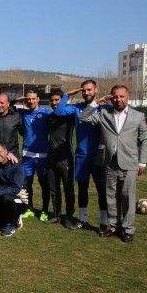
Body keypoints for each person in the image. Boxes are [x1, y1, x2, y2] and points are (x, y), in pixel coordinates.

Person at [79, 85, 147, 243]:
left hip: (130, 162)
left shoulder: (138, 116)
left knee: (127, 197)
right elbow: (83, 117)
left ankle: (128, 229)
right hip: (109, 162)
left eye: (121, 96)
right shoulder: (104, 114)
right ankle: (114, 227)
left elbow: (144, 140)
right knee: (111, 197)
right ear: (111, 98)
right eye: (115, 97)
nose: (118, 99)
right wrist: (96, 103)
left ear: (127, 97)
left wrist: (142, 162)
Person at [54, 80, 108, 230]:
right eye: (84, 90)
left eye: (89, 90)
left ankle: (103, 222)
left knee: (101, 190)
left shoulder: (103, 108)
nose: (86, 93)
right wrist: (67, 95)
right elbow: (58, 112)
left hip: (99, 156)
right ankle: (82, 220)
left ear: (96, 90)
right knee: (82, 189)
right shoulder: (77, 108)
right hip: (81, 156)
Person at [11, 90, 52, 222]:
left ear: (38, 99)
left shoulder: (46, 113)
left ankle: (45, 210)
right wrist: (20, 98)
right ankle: (29, 209)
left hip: (43, 155)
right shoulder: (23, 112)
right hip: (27, 155)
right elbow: (10, 105)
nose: (31, 101)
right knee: (27, 184)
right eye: (28, 99)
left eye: (33, 99)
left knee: (44, 184)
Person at [46, 90, 76, 228]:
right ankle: (56, 214)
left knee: (68, 188)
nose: (54, 103)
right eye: (52, 100)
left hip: (65, 157)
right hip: (51, 157)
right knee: (53, 188)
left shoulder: (69, 115)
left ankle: (69, 216)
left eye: (57, 100)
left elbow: (61, 110)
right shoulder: (50, 116)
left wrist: (66, 96)